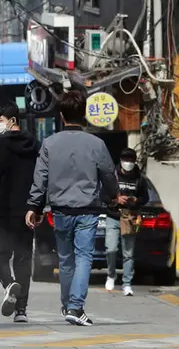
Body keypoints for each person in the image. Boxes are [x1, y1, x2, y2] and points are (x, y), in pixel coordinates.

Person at [26, 90, 118, 326]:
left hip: (60, 210)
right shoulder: (97, 144)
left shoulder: (50, 143)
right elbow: (108, 174)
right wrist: (113, 196)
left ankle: (68, 305)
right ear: (85, 113)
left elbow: (40, 178)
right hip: (87, 209)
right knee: (84, 257)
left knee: (65, 260)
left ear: (61, 115)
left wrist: (33, 207)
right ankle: (76, 307)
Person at [0, 100, 39, 322]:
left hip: (3, 210)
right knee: (23, 259)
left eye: (0, 120)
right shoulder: (35, 145)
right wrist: (37, 207)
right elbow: (40, 178)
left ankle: (9, 284)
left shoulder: (2, 146)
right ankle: (21, 311)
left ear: (12, 120)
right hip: (27, 212)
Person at [104, 148, 148, 297]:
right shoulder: (113, 175)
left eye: (131, 160)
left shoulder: (140, 178)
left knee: (128, 253)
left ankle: (127, 284)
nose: (128, 163)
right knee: (111, 248)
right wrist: (117, 200)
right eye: (125, 160)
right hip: (114, 216)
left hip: (130, 217)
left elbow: (145, 197)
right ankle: (111, 275)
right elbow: (103, 195)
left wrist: (136, 200)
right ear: (121, 161)